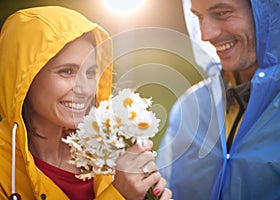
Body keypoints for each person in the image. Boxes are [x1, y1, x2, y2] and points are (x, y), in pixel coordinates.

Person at [0, 6, 172, 200]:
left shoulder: (109, 142)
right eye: (67, 71)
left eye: (90, 73)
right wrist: (119, 195)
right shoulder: (4, 169)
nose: (86, 89)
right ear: (23, 78)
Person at [157, 0, 280, 199]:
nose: (206, 34)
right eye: (198, 16)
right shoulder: (190, 107)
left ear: (267, 10)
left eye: (222, 13)